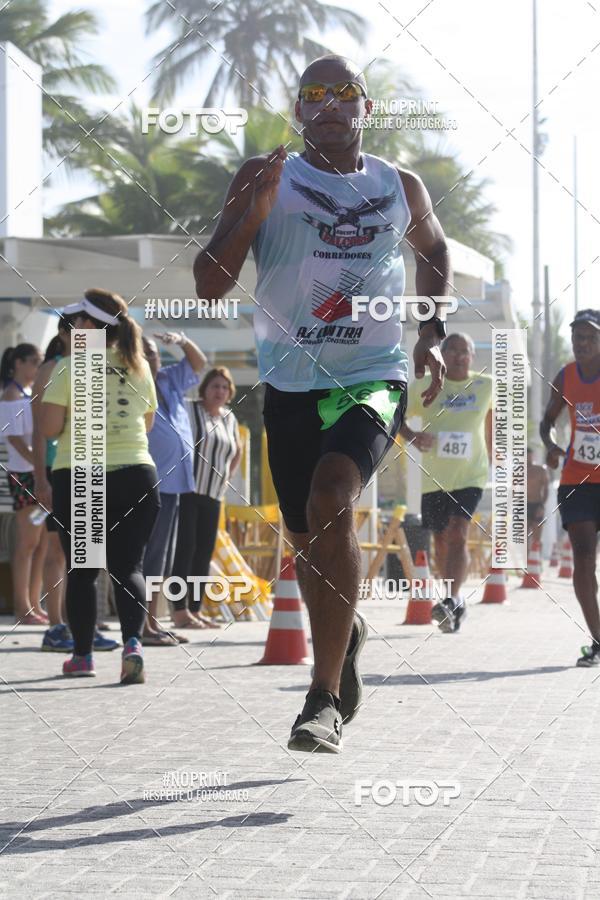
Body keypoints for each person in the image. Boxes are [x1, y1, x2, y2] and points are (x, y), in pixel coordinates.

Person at [193, 54, 448, 753]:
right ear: (299, 111)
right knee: (308, 540)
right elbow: (209, 284)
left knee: (333, 496)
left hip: (371, 375)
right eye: (314, 94)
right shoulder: (262, 175)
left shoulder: (401, 185)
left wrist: (430, 329)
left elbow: (435, 249)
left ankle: (323, 698)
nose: (330, 104)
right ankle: (347, 635)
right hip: (289, 383)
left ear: (366, 107)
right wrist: (254, 213)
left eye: (345, 93)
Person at [40, 289, 160, 683]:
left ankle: (82, 656)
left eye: (77, 320)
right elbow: (146, 424)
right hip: (138, 473)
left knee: (85, 569)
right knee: (129, 568)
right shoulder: (139, 366)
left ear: (91, 326)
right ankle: (132, 646)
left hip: (82, 474)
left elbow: (50, 428)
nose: (72, 327)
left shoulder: (69, 366)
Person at [32, 316, 119, 653]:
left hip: (91, 466)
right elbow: (40, 429)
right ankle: (56, 626)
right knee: (57, 549)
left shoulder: (98, 365)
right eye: (82, 329)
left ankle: (84, 625)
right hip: (59, 467)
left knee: (89, 553)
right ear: (65, 334)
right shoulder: (51, 367)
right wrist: (41, 478)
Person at [400, 333, 492, 633]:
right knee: (441, 540)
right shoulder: (426, 385)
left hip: (471, 474)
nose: (458, 356)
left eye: (464, 351)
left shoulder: (486, 385)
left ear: (472, 356)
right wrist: (412, 437)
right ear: (442, 354)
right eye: (451, 350)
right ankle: (454, 600)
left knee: (458, 531)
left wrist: (499, 460)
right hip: (434, 479)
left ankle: (451, 599)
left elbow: (498, 422)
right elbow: (394, 414)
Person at [540, 308, 600, 667]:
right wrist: (550, 446)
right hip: (577, 480)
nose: (582, 343)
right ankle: (597, 639)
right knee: (583, 559)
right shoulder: (566, 376)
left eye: (590, 336)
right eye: (578, 337)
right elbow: (546, 422)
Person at [142, 330, 206, 644]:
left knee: (159, 557)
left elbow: (199, 362)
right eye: (145, 353)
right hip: (148, 481)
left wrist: (181, 340)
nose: (152, 357)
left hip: (175, 482)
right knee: (146, 555)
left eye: (154, 352)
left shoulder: (169, 379)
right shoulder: (132, 383)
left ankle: (151, 623)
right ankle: (142, 625)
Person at [170, 367, 241, 629]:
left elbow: (236, 451)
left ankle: (195, 610)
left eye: (224, 387)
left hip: (214, 494)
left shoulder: (229, 418)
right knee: (184, 549)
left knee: (203, 553)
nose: (219, 391)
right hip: (188, 490)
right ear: (204, 389)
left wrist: (225, 478)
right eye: (215, 386)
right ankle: (179, 609)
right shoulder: (190, 409)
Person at [0, 343, 46, 624]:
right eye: (33, 361)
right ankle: (22, 606)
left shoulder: (28, 394)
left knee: (39, 543)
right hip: (23, 476)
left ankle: (34, 602)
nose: (37, 367)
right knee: (27, 544)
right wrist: (40, 465)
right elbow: (14, 438)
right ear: (17, 363)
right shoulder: (11, 396)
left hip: (35, 474)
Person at [526, 447, 550, 549]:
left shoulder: (540, 470)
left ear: (532, 456)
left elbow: (546, 488)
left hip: (537, 505)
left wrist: (542, 505)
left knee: (537, 538)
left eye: (529, 456)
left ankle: (537, 562)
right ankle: (525, 563)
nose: (527, 458)